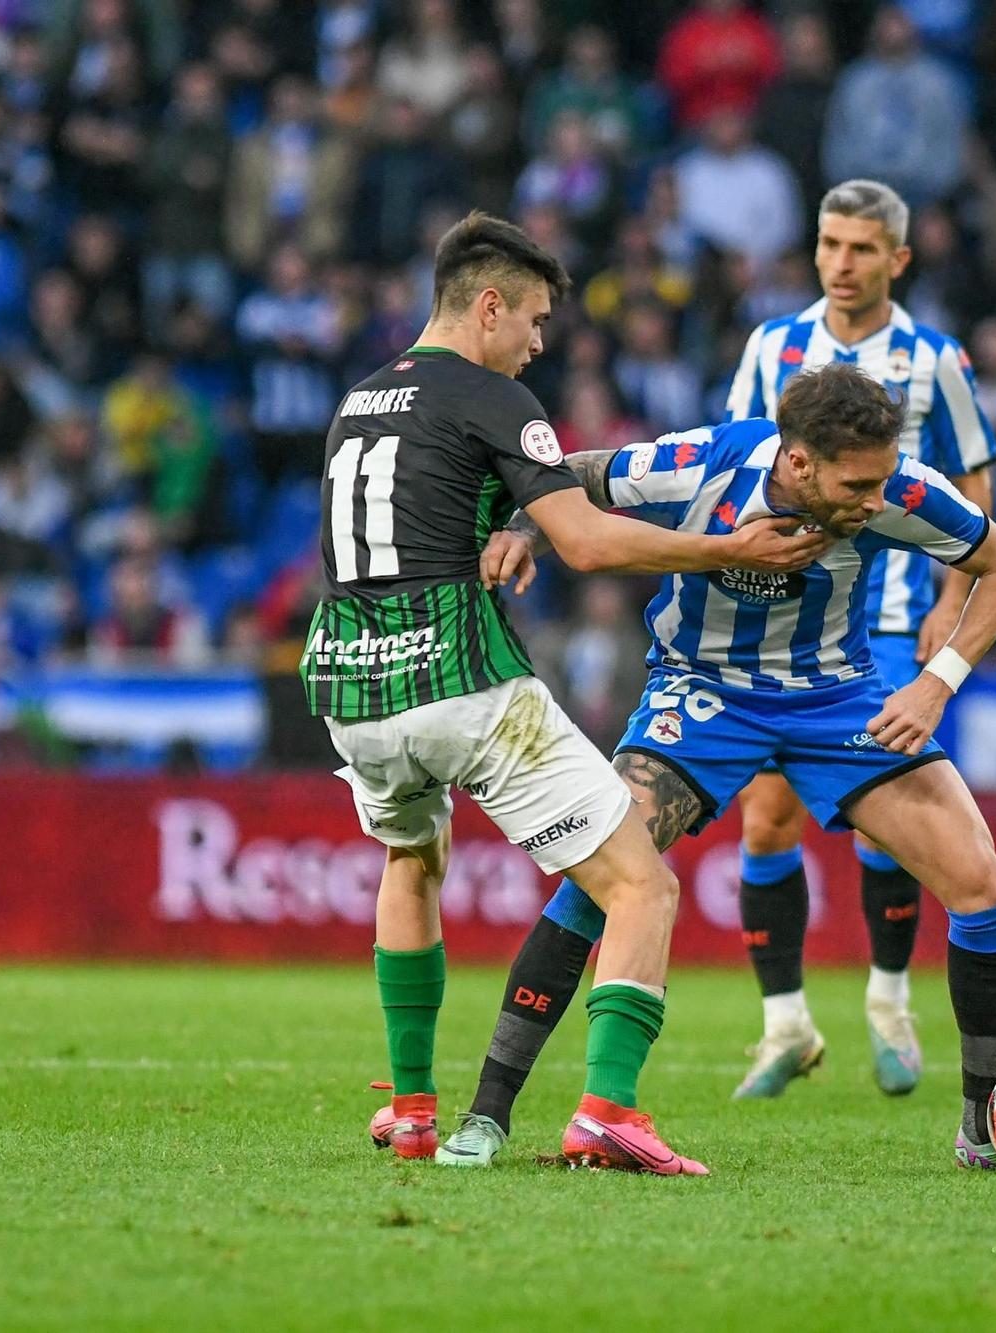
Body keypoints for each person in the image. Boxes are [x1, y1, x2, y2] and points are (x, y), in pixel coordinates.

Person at [305, 212, 826, 1175]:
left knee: (412, 862)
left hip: (350, 684)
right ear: (488, 306)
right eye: (535, 319)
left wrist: (509, 526)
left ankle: (414, 1111)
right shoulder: (497, 397)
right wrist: (725, 547)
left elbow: (418, 513)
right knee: (642, 884)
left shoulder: (359, 401)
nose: (539, 342)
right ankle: (606, 1112)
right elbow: (588, 541)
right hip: (459, 680)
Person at [442, 363, 996, 1175]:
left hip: (838, 702)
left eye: (880, 479)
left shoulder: (901, 489)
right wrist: (522, 524)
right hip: (702, 695)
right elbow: (581, 473)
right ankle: (488, 1114)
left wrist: (936, 685)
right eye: (856, 482)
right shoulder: (702, 466)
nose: (875, 499)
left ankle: (985, 1131)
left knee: (987, 887)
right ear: (798, 462)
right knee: (604, 876)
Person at [719, 180, 996, 1100]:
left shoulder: (935, 360)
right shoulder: (773, 346)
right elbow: (734, 461)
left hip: (885, 622)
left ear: (898, 260)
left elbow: (972, 494)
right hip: (776, 619)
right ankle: (785, 1025)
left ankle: (888, 999)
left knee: (888, 825)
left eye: (862, 248)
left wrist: (949, 601)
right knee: (767, 817)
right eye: (830, 243)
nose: (842, 263)